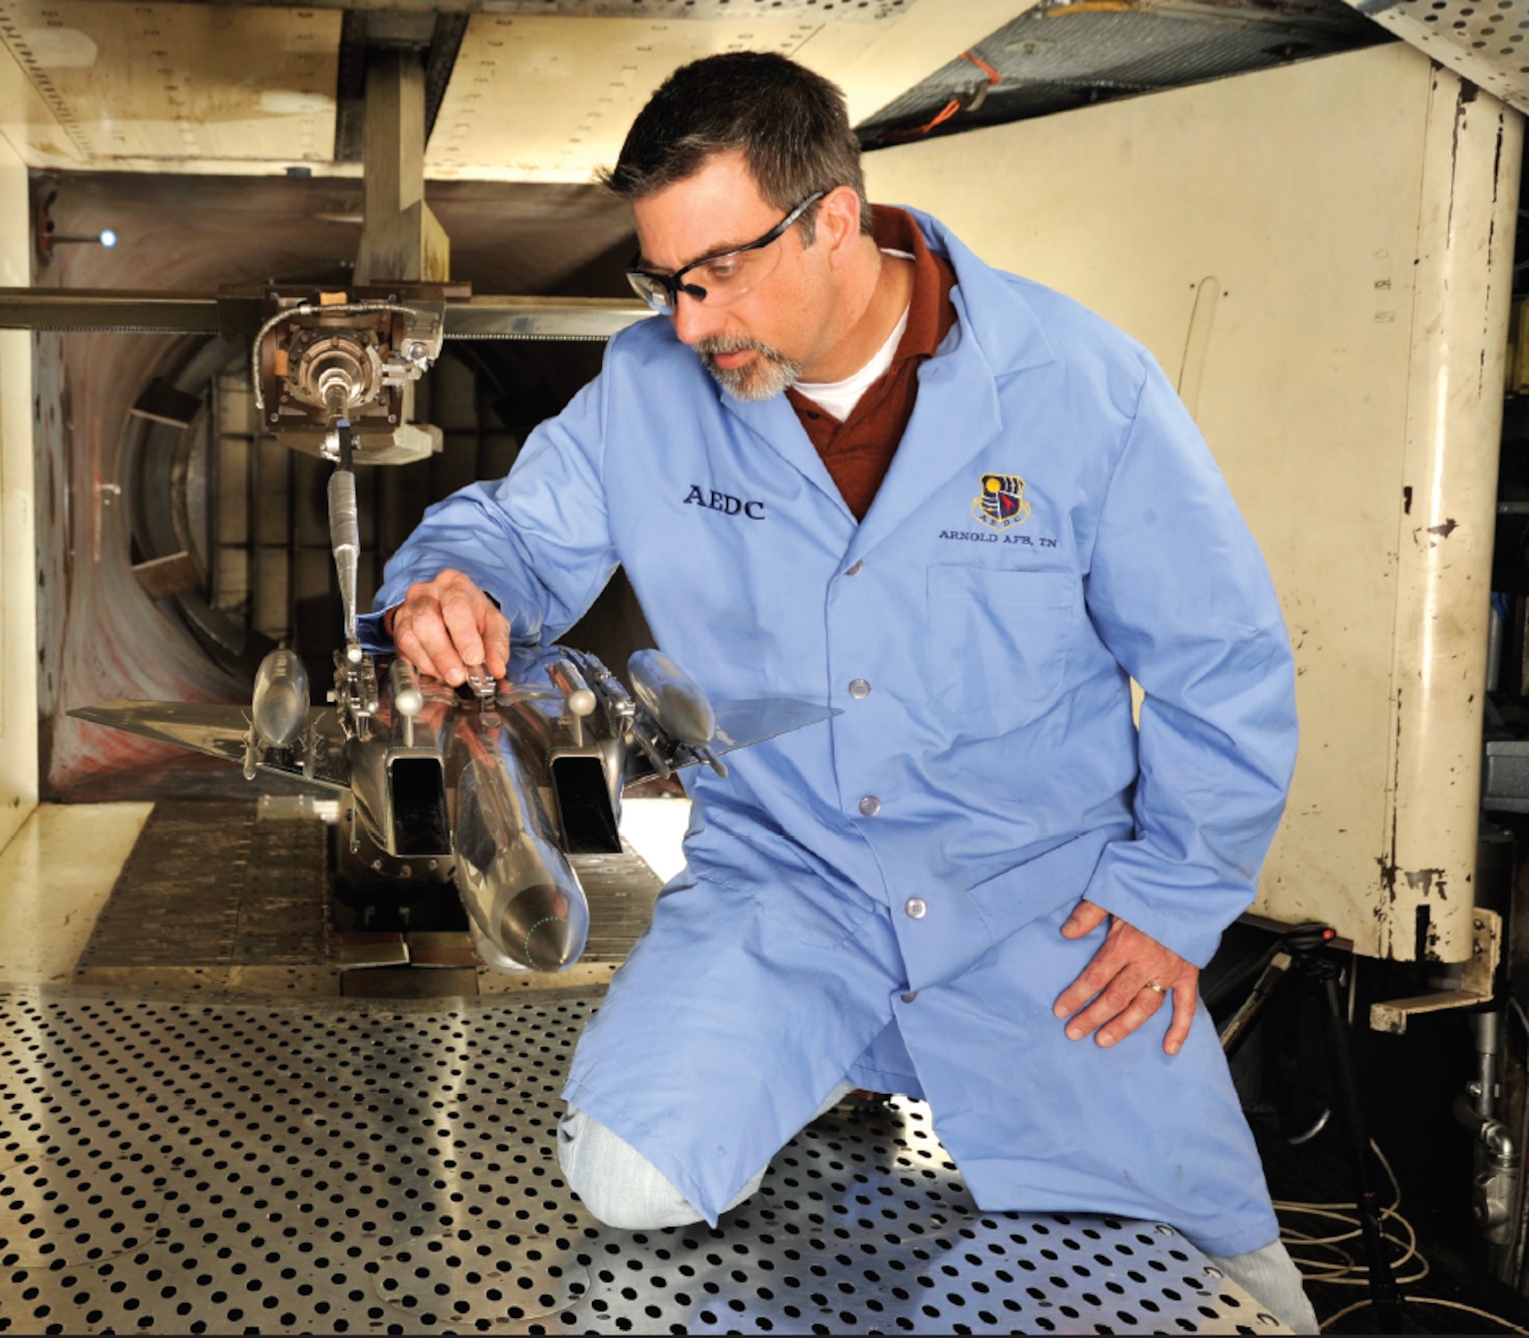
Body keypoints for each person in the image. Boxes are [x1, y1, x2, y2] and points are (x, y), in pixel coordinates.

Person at [361, 51, 1316, 1334]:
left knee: (1216, 1289)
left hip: (1034, 904)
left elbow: (1220, 661)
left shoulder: (1078, 389)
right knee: (626, 1178)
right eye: (661, 281)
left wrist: (1170, 896)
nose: (686, 322)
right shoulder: (650, 391)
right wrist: (454, 582)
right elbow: (517, 540)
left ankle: (902, 1079)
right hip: (787, 882)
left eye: (714, 277)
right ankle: (803, 1056)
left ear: (832, 223)